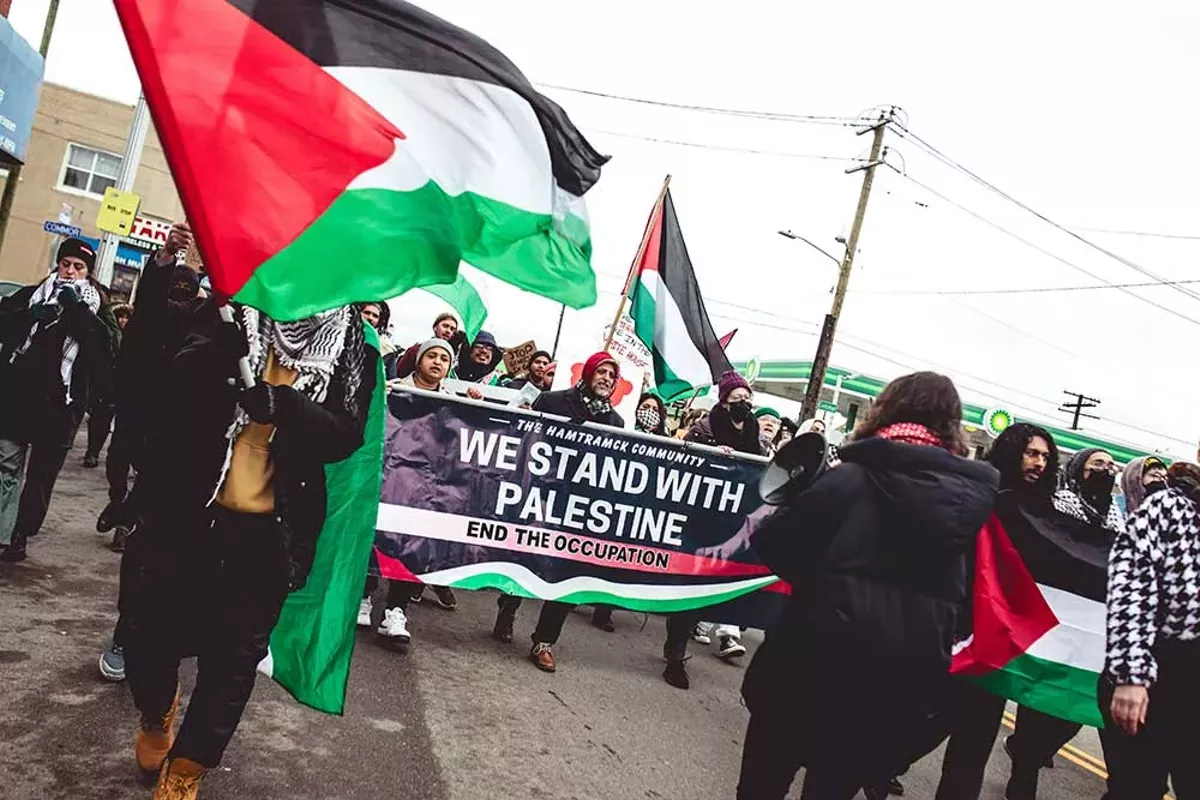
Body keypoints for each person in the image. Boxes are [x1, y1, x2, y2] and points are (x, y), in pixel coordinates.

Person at [122, 297, 377, 799]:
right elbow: (167, 382)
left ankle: (186, 771)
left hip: (270, 534)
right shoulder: (227, 313)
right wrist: (220, 351)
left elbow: (346, 435)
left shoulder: (353, 347)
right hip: (188, 512)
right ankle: (156, 711)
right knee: (148, 634)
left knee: (233, 663)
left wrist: (284, 405)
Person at [736, 372, 998, 800]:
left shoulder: (851, 477)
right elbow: (969, 606)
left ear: (887, 408)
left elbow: (775, 544)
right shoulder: (971, 507)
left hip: (808, 663)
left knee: (763, 784)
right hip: (894, 686)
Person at [934, 422, 1059, 800]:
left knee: (973, 746)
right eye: (1032, 453)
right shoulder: (980, 492)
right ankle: (882, 767)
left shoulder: (1046, 514)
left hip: (999, 644)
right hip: (953, 631)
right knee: (925, 723)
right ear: (1012, 451)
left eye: (1045, 457)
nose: (1039, 462)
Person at [1003, 445, 1124, 800]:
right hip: (1055, 619)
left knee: (1074, 711)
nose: (1106, 469)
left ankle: (1028, 752)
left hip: (1091, 625)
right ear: (1078, 469)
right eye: (1097, 463)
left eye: (1110, 465)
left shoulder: (1117, 517)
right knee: (1038, 700)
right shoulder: (1059, 505)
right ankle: (1022, 780)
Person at [493, 352, 624, 672]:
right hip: (540, 496)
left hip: (581, 507)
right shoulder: (552, 401)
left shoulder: (616, 422)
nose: (606, 378)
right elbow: (525, 442)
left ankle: (544, 640)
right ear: (589, 372)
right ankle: (507, 610)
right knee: (525, 559)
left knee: (567, 573)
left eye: (612, 375)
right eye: (602, 372)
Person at [0, 238, 109, 562]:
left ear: (88, 274)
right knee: (6, 464)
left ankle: (21, 532)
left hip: (59, 406)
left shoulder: (95, 308)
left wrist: (74, 308)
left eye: (79, 267)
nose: (70, 272)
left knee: (40, 477)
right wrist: (30, 315)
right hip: (17, 396)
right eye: (66, 264)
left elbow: (102, 351)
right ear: (57, 264)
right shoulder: (31, 295)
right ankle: (4, 531)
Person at [1102, 463, 1200, 798]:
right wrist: (1132, 675)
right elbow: (1132, 590)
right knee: (1137, 788)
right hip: (1164, 669)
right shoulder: (1166, 509)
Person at [364, 337, 461, 639]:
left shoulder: (457, 403)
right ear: (418, 359)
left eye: (444, 359)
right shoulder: (394, 388)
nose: (437, 362)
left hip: (426, 488)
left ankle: (396, 611)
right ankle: (364, 596)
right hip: (389, 479)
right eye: (431, 355)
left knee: (413, 548)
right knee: (376, 537)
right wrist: (383, 394)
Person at [673, 371, 764, 665]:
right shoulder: (705, 428)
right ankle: (675, 653)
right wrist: (711, 455)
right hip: (702, 517)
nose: (743, 403)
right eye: (737, 399)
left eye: (747, 398)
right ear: (724, 402)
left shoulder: (755, 434)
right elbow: (684, 460)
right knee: (690, 582)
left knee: (718, 582)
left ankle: (721, 630)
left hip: (735, 521)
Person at [588, 392, 669, 635]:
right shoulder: (625, 431)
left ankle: (604, 610)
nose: (649, 412)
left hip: (640, 509)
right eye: (645, 406)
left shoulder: (667, 442)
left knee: (619, 561)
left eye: (655, 409)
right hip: (614, 503)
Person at [82, 301, 133, 468]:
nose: (123, 321)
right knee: (100, 419)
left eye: (127, 317)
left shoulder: (135, 335)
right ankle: (92, 452)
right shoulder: (109, 332)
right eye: (121, 317)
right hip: (107, 382)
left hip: (124, 384)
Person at [391, 311, 460, 379]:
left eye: (452, 329)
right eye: (445, 326)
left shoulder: (451, 357)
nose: (448, 331)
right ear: (435, 327)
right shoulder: (416, 350)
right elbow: (399, 375)